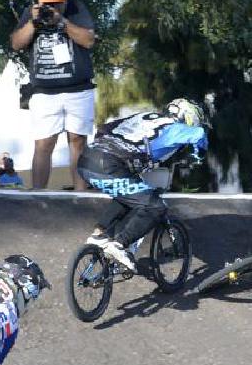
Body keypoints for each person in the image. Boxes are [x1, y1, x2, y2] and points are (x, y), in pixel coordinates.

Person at [77, 98, 209, 271]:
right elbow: (198, 134)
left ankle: (98, 235)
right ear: (190, 117)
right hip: (108, 165)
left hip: (86, 160)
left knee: (129, 196)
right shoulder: (173, 128)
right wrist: (198, 155)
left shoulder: (144, 116)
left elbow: (103, 128)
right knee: (155, 206)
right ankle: (118, 245)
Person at [10, 0, 97, 191]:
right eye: (49, 4)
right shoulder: (31, 12)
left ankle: (81, 196)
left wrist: (62, 21)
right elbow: (16, 44)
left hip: (78, 89)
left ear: (65, 0)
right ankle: (39, 196)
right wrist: (32, 22)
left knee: (77, 141)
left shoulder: (76, 9)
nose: (53, 7)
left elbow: (88, 40)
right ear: (40, 2)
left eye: (58, 3)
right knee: (43, 143)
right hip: (44, 92)